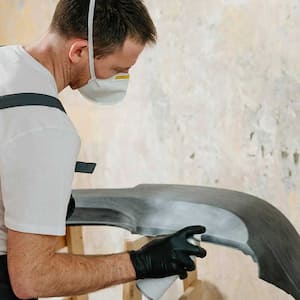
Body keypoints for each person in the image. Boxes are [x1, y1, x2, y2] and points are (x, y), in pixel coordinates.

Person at [0, 0, 207, 299]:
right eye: (116, 68)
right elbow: (33, 277)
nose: (117, 79)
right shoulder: (46, 129)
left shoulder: (6, 62)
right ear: (79, 51)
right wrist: (141, 263)